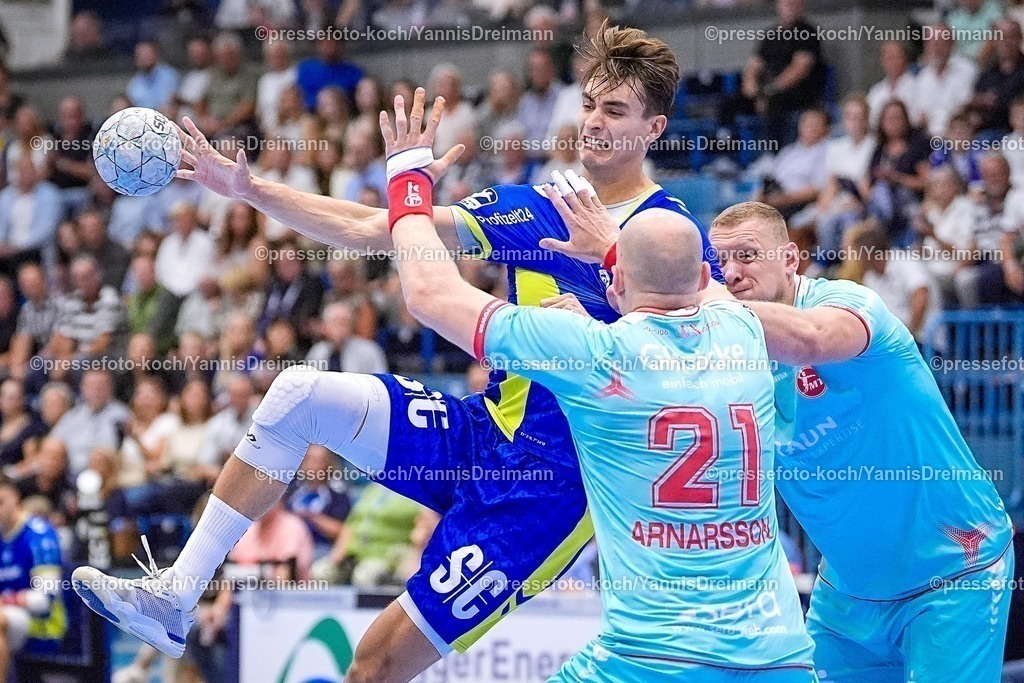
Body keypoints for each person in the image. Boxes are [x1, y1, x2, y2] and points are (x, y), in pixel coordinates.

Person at [74, 21, 723, 680]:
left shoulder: (672, 238)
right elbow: (369, 227)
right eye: (588, 104)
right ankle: (175, 594)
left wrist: (606, 317)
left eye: (615, 110)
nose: (594, 122)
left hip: (548, 492)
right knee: (298, 393)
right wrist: (249, 190)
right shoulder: (535, 207)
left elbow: (703, 358)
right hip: (480, 431)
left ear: (654, 128)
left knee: (374, 665)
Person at [377, 97, 814, 679]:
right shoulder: (745, 333)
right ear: (706, 276)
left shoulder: (591, 351)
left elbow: (431, 294)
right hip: (777, 654)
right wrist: (614, 247)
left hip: (650, 659)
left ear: (615, 280)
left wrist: (408, 180)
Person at [704, 202, 1012, 682]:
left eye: (746, 255)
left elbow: (810, 340)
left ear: (790, 258)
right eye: (720, 261)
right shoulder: (725, 353)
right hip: (850, 594)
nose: (732, 272)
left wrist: (699, 298)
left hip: (954, 573)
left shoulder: (846, 302)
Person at [0, 474, 66, 679]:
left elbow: (45, 599)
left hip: (43, 624)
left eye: (0, 502)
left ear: (15, 497)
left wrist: (9, 600)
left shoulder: (39, 535)